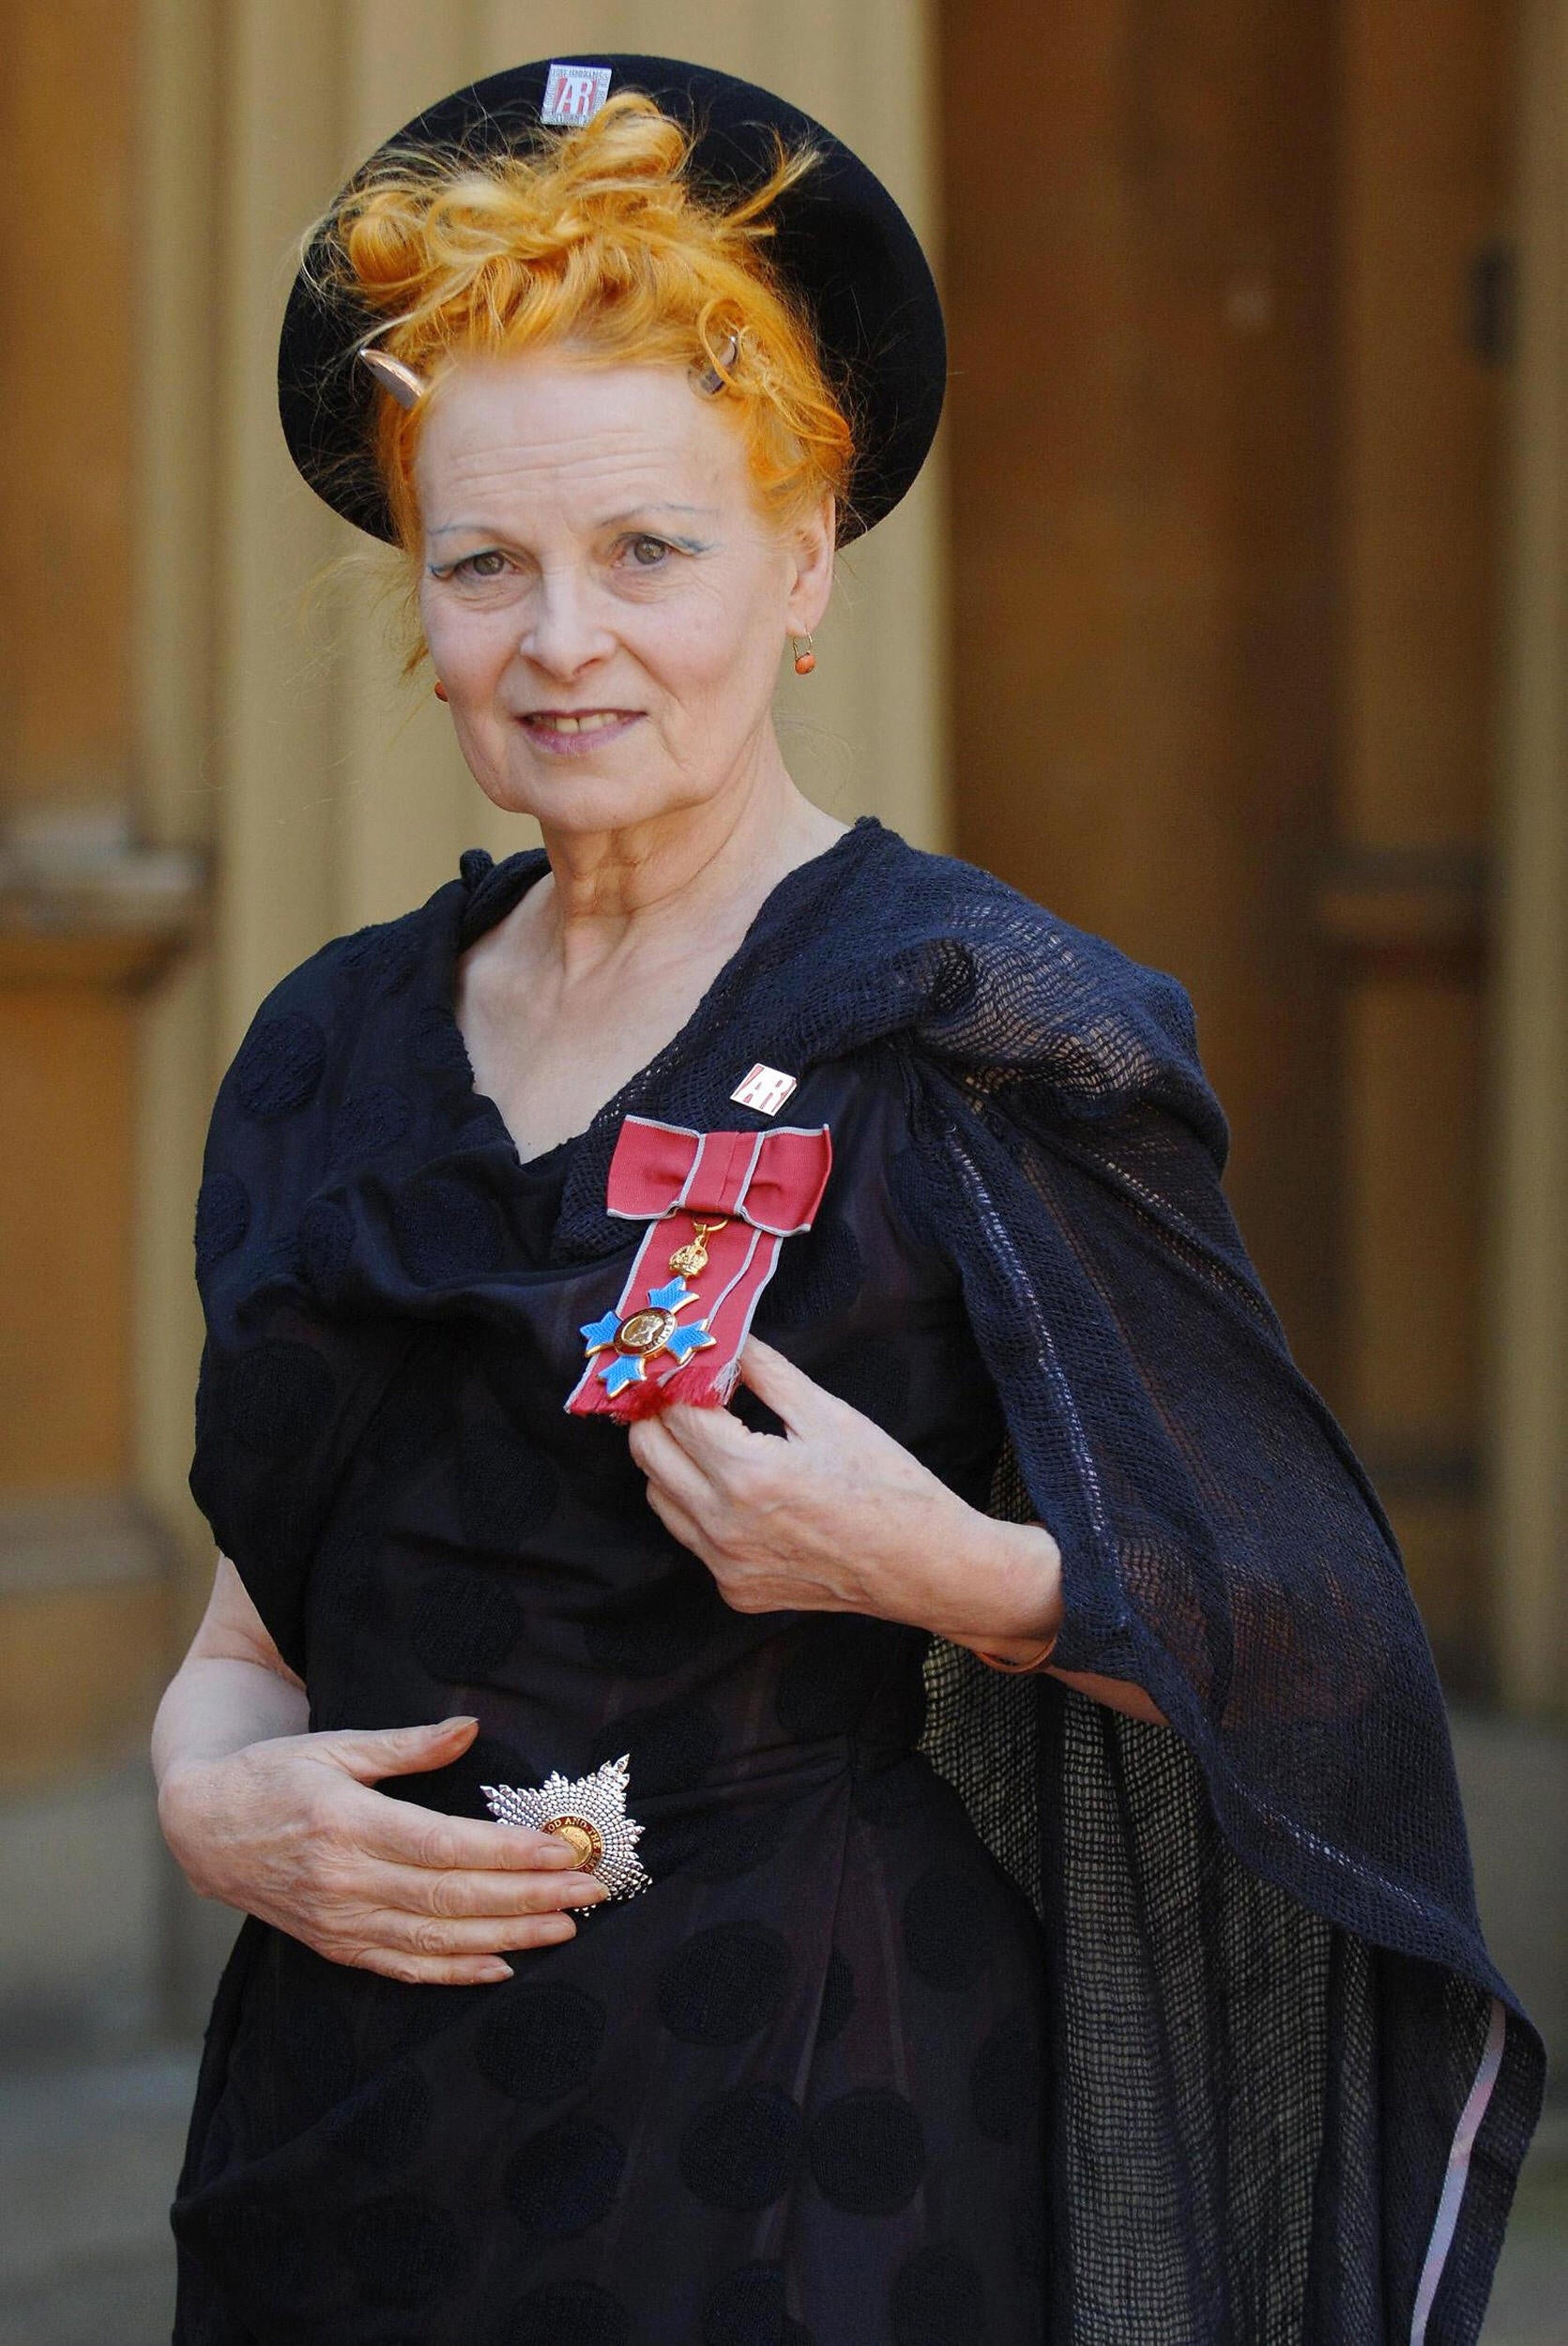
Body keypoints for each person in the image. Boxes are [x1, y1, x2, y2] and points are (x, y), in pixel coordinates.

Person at [152, 55, 1541, 2346]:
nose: (559, 639)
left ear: (803, 555)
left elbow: (1304, 1631)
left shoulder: (975, 1018)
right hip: (352, 2136)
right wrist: (220, 1811)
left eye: (647, 550)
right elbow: (245, 1644)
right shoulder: (329, 1046)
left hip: (816, 2142)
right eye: (483, 562)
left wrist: (949, 1572)